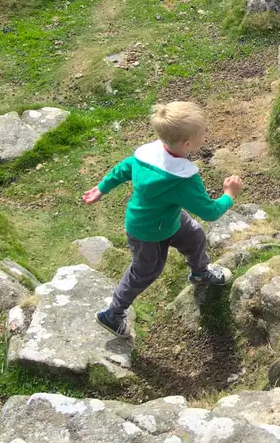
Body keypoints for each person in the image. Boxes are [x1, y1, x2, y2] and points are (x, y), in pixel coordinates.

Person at [82, 101, 243, 338]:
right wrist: (230, 194)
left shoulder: (148, 155)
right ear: (187, 144)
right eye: (203, 133)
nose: (205, 135)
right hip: (148, 234)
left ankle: (199, 272)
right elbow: (210, 211)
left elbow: (124, 167)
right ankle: (113, 313)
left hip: (164, 219)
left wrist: (102, 187)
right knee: (145, 272)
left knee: (195, 234)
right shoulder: (181, 179)